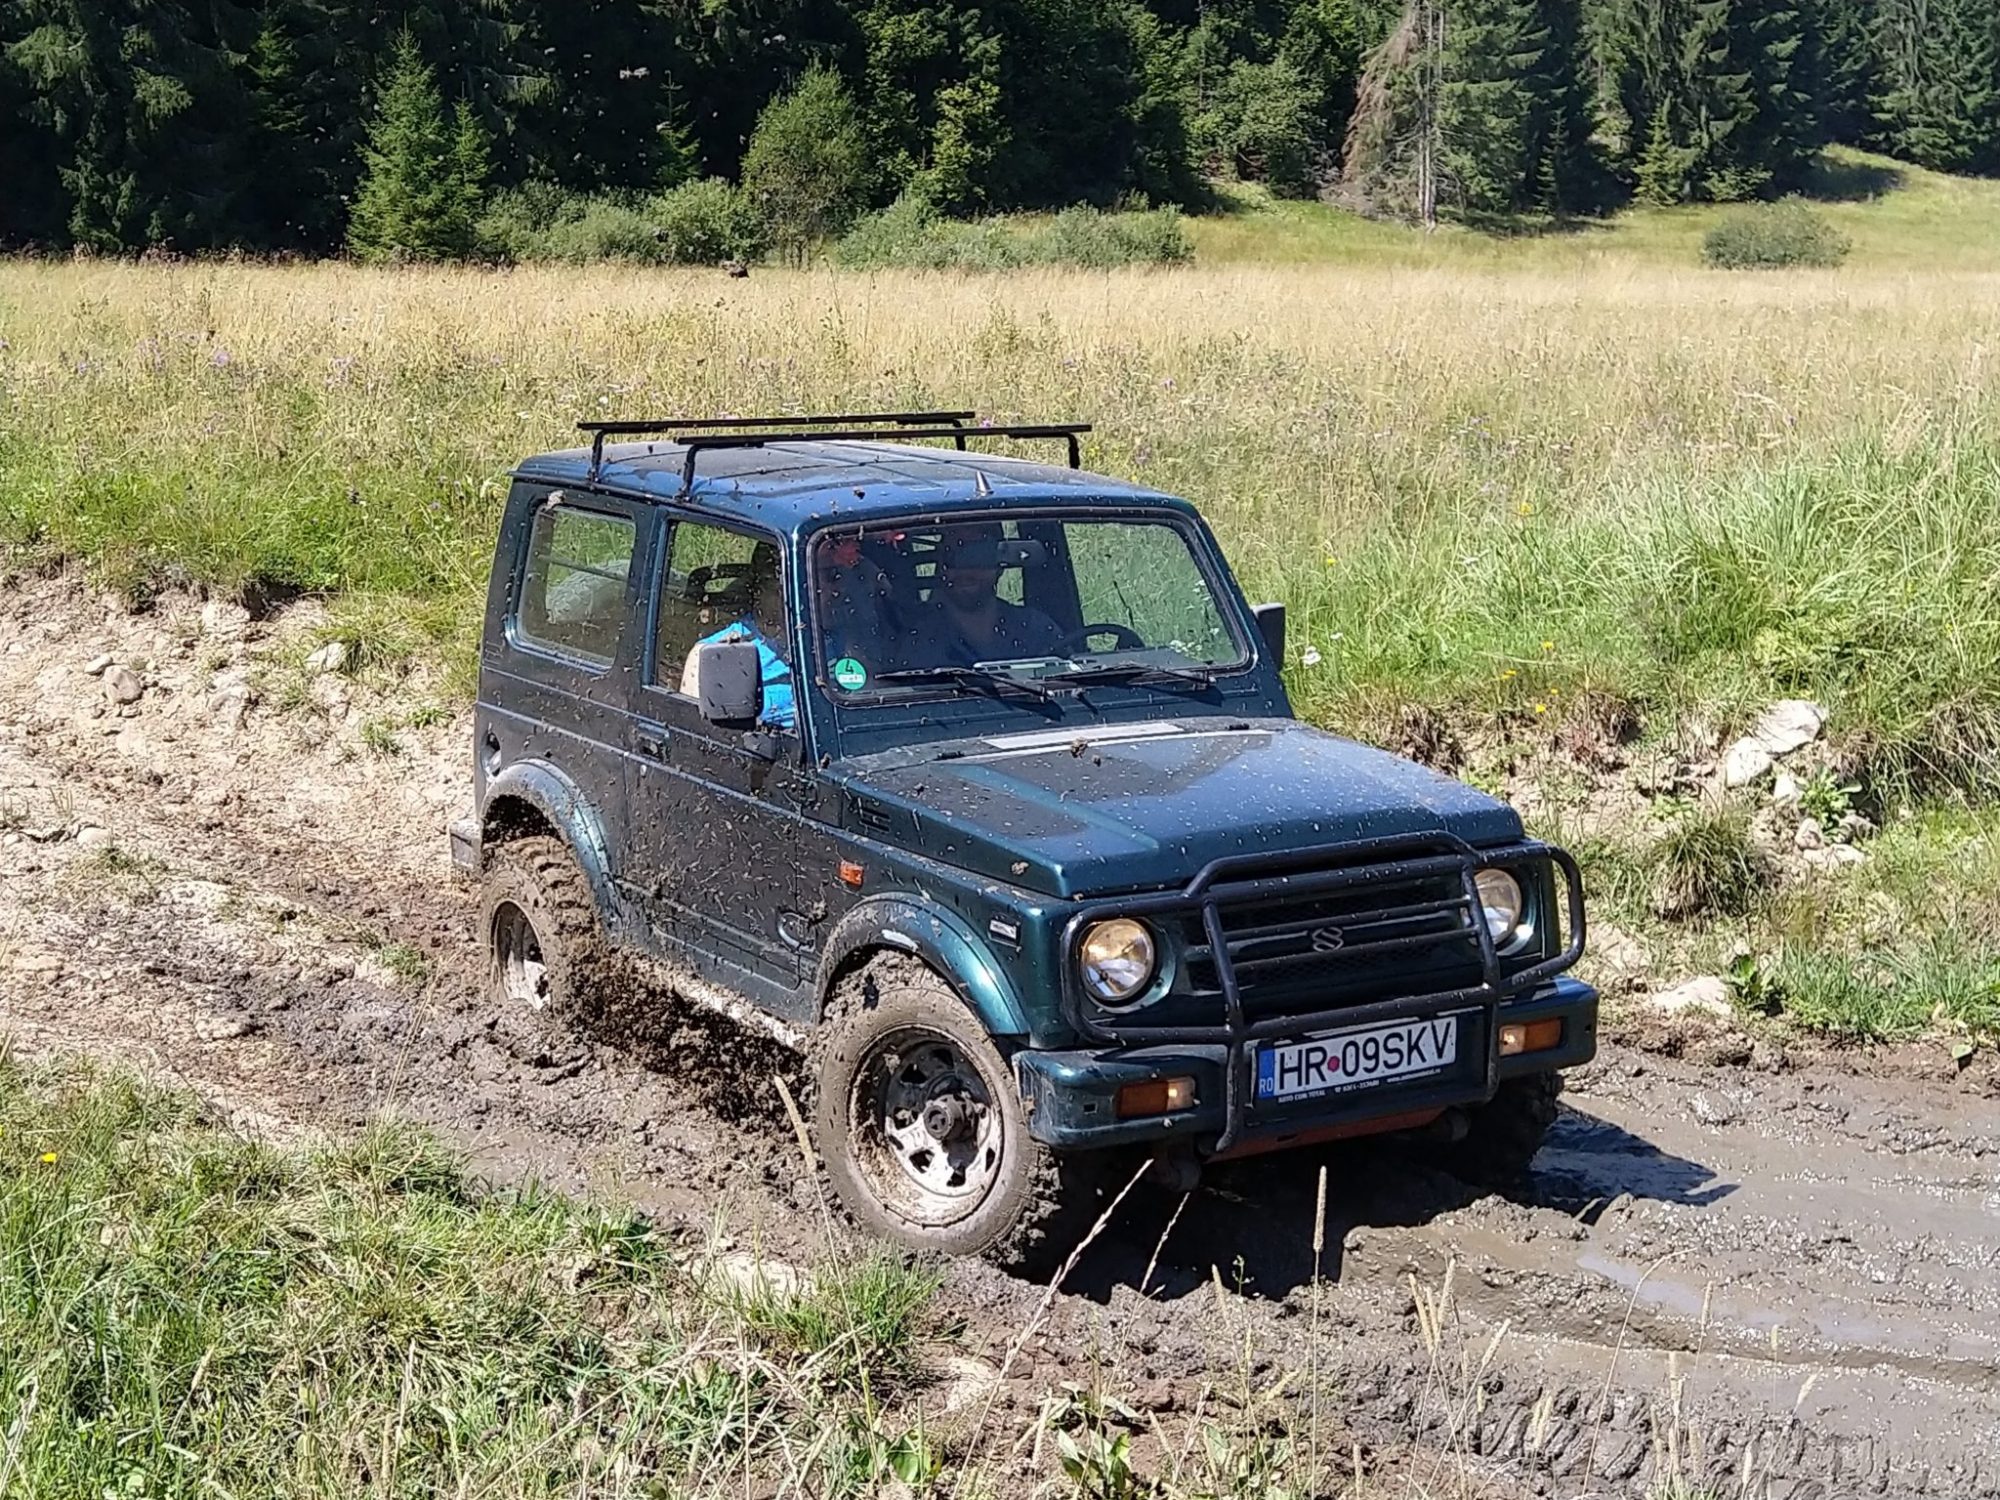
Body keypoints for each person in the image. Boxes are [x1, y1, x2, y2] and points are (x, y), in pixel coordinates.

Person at [680, 542, 796, 730]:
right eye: (779, 588)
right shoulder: (713, 653)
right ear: (759, 588)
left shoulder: (834, 637)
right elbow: (699, 732)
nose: (790, 598)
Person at [926, 524, 1062, 665]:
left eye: (978, 556)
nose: (965, 571)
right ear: (940, 565)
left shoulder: (1036, 630)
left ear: (999, 564)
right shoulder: (918, 638)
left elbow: (1069, 671)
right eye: (953, 557)